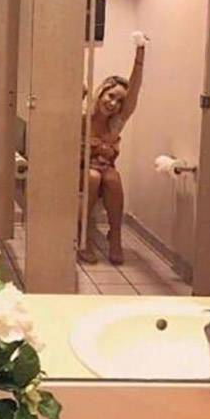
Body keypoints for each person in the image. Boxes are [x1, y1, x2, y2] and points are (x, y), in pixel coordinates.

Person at [78, 34, 147, 265]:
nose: (113, 103)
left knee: (112, 178)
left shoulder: (114, 124)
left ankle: (115, 236)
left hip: (102, 172)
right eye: (111, 96)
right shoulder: (83, 118)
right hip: (79, 171)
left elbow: (134, 94)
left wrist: (140, 54)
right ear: (102, 92)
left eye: (119, 102)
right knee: (93, 176)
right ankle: (83, 234)